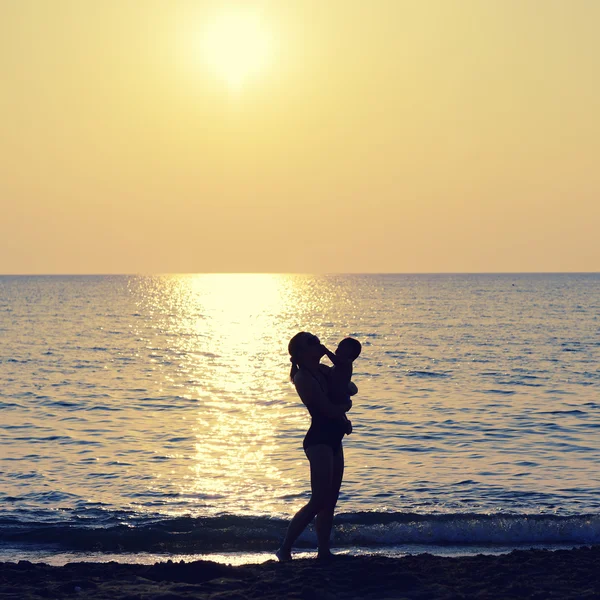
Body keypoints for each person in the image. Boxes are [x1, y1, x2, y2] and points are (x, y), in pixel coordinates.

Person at [276, 332, 356, 562]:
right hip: (318, 440)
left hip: (334, 439)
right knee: (319, 499)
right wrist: (344, 407)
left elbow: (347, 386)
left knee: (330, 500)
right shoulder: (302, 377)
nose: (318, 342)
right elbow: (328, 409)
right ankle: (285, 549)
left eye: (316, 338)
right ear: (301, 352)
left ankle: (323, 551)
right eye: (311, 341)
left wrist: (345, 398)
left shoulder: (322, 370)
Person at [320, 337, 362, 435]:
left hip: (340, 395)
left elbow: (337, 362)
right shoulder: (338, 366)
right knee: (339, 413)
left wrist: (326, 351)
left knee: (338, 414)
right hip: (335, 394)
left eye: (343, 348)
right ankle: (344, 422)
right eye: (339, 346)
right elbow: (332, 372)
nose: (338, 350)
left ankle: (345, 424)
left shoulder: (346, 363)